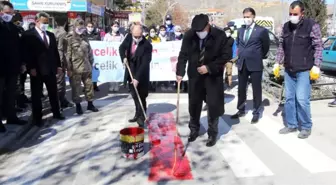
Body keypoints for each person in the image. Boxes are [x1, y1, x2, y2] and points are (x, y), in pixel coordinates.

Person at [176, 14, 231, 147]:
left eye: (201, 30)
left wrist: (209, 67)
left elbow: (226, 56)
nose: (199, 33)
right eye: (197, 31)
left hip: (213, 76)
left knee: (213, 105)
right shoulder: (190, 35)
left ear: (208, 25)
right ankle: (194, 130)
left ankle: (212, 133)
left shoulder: (219, 35)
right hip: (195, 76)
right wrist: (180, 72)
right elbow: (183, 54)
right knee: (194, 104)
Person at [274, 1, 323, 139]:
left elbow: (318, 46)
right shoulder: (286, 27)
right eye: (290, 13)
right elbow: (281, 46)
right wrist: (277, 63)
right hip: (289, 69)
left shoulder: (311, 25)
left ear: (302, 13)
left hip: (304, 70)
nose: (292, 16)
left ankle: (306, 126)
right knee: (289, 98)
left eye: (295, 14)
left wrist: (317, 65)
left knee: (302, 99)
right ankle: (291, 124)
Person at [21, 12, 65, 127]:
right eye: (43, 22)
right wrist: (31, 68)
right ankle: (37, 118)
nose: (45, 24)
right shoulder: (28, 35)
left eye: (47, 22)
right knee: (36, 95)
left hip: (50, 69)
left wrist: (58, 66)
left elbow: (55, 52)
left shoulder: (50, 35)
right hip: (36, 70)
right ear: (37, 21)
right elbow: (26, 54)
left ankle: (56, 112)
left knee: (53, 92)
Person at [231, 7, 270, 124]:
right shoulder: (241, 30)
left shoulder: (261, 30)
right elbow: (239, 43)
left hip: (255, 64)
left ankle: (256, 112)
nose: (246, 19)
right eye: (244, 17)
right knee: (241, 89)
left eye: (248, 17)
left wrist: (257, 55)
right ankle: (241, 109)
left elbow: (266, 47)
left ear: (253, 17)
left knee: (256, 89)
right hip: (242, 63)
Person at [0, 1, 27, 132]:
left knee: (11, 94)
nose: (9, 15)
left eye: (11, 13)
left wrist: (22, 63)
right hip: (0, 68)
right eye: (7, 13)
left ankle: (12, 116)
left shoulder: (13, 28)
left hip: (13, 67)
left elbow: (18, 48)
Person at [119, 24, 152, 128]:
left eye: (139, 36)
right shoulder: (128, 37)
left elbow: (145, 63)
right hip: (130, 71)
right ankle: (137, 114)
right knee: (134, 95)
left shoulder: (147, 45)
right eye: (135, 36)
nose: (137, 39)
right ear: (131, 33)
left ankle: (141, 118)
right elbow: (121, 48)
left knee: (141, 96)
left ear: (142, 34)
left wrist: (137, 78)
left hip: (141, 74)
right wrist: (123, 57)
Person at [66, 18, 99, 115]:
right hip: (75, 69)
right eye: (79, 27)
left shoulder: (85, 38)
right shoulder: (70, 39)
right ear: (75, 27)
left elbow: (90, 52)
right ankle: (78, 106)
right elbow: (67, 56)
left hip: (87, 67)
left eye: (82, 27)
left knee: (89, 87)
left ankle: (90, 104)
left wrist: (91, 62)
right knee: (76, 88)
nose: (80, 29)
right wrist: (69, 68)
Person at [54, 17, 73, 109]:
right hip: (60, 61)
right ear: (65, 23)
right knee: (60, 84)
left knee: (59, 83)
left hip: (55, 60)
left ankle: (61, 100)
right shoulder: (63, 33)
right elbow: (61, 49)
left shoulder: (54, 31)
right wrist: (62, 64)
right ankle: (60, 102)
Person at [104, 21, 125, 92]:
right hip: (109, 56)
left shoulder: (121, 35)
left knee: (117, 70)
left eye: (117, 26)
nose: (116, 27)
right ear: (111, 27)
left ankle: (116, 84)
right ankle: (111, 85)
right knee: (110, 70)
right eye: (114, 26)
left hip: (117, 56)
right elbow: (104, 45)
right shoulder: (107, 35)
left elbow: (123, 45)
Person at [84, 21, 100, 92]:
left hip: (95, 56)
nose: (90, 28)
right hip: (86, 56)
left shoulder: (96, 35)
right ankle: (86, 86)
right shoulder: (83, 35)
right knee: (86, 72)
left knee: (94, 71)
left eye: (91, 27)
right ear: (86, 27)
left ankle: (94, 85)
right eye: (89, 26)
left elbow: (100, 44)